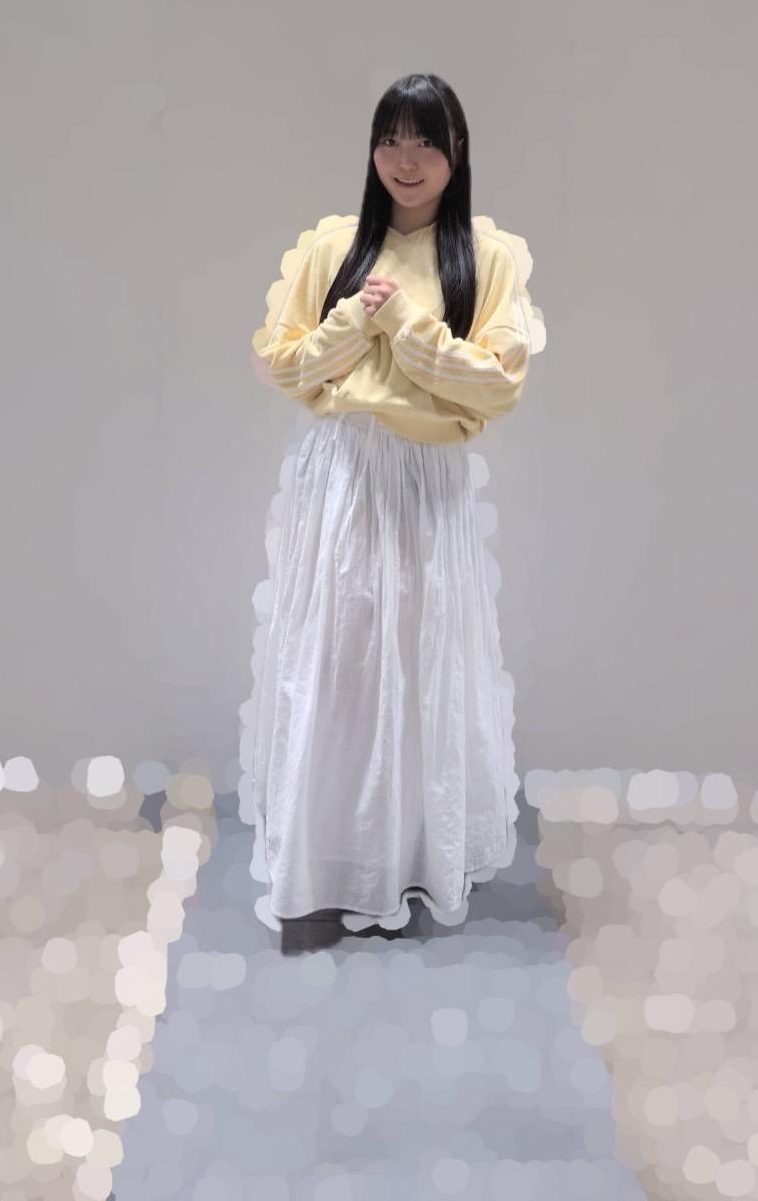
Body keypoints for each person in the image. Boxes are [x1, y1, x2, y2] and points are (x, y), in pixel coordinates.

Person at [245, 72, 543, 955]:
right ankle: (331, 851)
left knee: (418, 653)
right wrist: (352, 324)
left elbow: (496, 384)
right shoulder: (335, 247)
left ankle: (410, 848)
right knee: (338, 658)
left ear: (457, 155)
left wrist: (408, 327)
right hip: (341, 475)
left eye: (425, 144)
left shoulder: (485, 259)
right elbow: (285, 365)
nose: (405, 162)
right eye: (389, 141)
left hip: (425, 480)